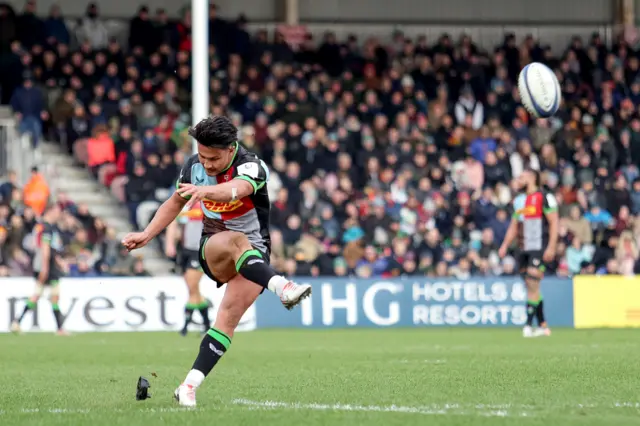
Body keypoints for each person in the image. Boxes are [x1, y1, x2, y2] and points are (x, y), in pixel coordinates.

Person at [121, 115, 311, 407]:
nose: (206, 164)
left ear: (231, 148)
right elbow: (175, 202)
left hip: (256, 254)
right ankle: (283, 288)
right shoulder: (192, 167)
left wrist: (204, 191)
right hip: (216, 245)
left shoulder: (252, 166)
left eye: (213, 158)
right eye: (202, 156)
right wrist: (147, 234)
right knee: (236, 239)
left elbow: (238, 189)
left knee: (227, 320)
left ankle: (188, 386)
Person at [498, 168, 558, 338]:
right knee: (531, 286)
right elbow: (514, 226)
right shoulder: (519, 201)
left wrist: (551, 246)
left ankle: (527, 325)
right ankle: (543, 325)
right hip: (523, 247)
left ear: (531, 178)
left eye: (522, 177)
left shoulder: (545, 197)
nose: (518, 180)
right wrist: (504, 245)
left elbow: (554, 222)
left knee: (533, 281)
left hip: (539, 245)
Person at [11, 205, 69, 335]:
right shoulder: (46, 228)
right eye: (57, 212)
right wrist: (45, 268)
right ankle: (60, 329)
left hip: (44, 265)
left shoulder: (41, 227)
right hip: (47, 266)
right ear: (50, 211)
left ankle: (17, 322)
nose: (58, 215)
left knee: (38, 295)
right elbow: (45, 249)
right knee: (52, 296)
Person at [165, 202, 210, 336]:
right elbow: (172, 222)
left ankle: (185, 326)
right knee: (193, 290)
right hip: (184, 250)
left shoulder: (207, 204)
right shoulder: (184, 204)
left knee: (192, 284)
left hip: (200, 250)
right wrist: (170, 243)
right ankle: (206, 325)